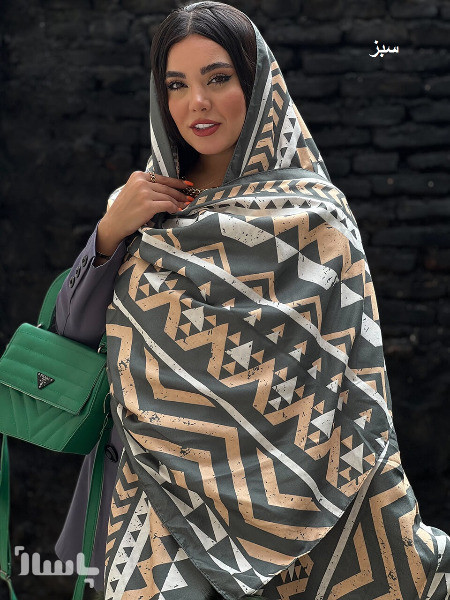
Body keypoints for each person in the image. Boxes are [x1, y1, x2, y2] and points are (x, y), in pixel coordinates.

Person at [54, 2, 450, 599]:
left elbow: (350, 383)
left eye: (218, 79)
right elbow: (72, 333)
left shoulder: (317, 217)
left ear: (258, 85)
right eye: (177, 85)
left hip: (296, 501)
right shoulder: (139, 206)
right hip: (154, 499)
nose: (197, 103)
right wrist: (109, 234)